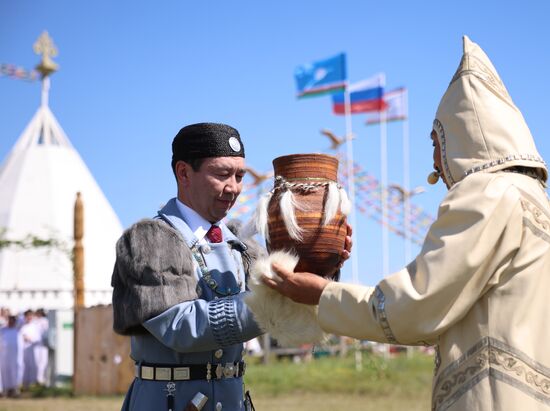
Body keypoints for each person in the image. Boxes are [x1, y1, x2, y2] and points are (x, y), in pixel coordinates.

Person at [263, 36, 550, 410]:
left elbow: (416, 306)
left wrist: (321, 293)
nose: (434, 161)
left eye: (435, 141)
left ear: (460, 136)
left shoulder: (487, 193)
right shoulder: (535, 200)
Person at [112, 123, 266, 411]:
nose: (233, 187)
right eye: (222, 174)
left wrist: (319, 266)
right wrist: (272, 302)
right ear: (184, 173)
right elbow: (179, 326)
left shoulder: (243, 243)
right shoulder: (149, 239)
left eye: (239, 175)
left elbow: (292, 303)